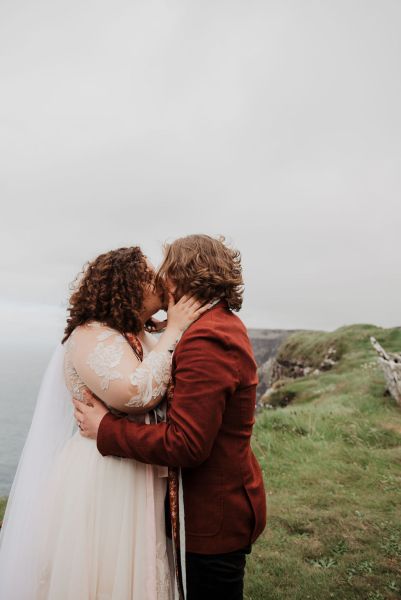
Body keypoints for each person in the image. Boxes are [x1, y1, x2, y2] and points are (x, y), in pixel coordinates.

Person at [0, 246, 208, 600]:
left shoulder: (134, 333)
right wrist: (172, 331)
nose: (159, 280)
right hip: (103, 475)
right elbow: (135, 393)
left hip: (132, 462)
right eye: (148, 275)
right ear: (127, 285)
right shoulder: (91, 334)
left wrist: (163, 330)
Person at [75, 235, 267, 600]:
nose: (161, 278)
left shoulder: (208, 338)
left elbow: (186, 444)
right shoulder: (213, 323)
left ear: (179, 277)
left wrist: (106, 429)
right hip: (213, 507)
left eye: (165, 270)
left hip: (214, 517)